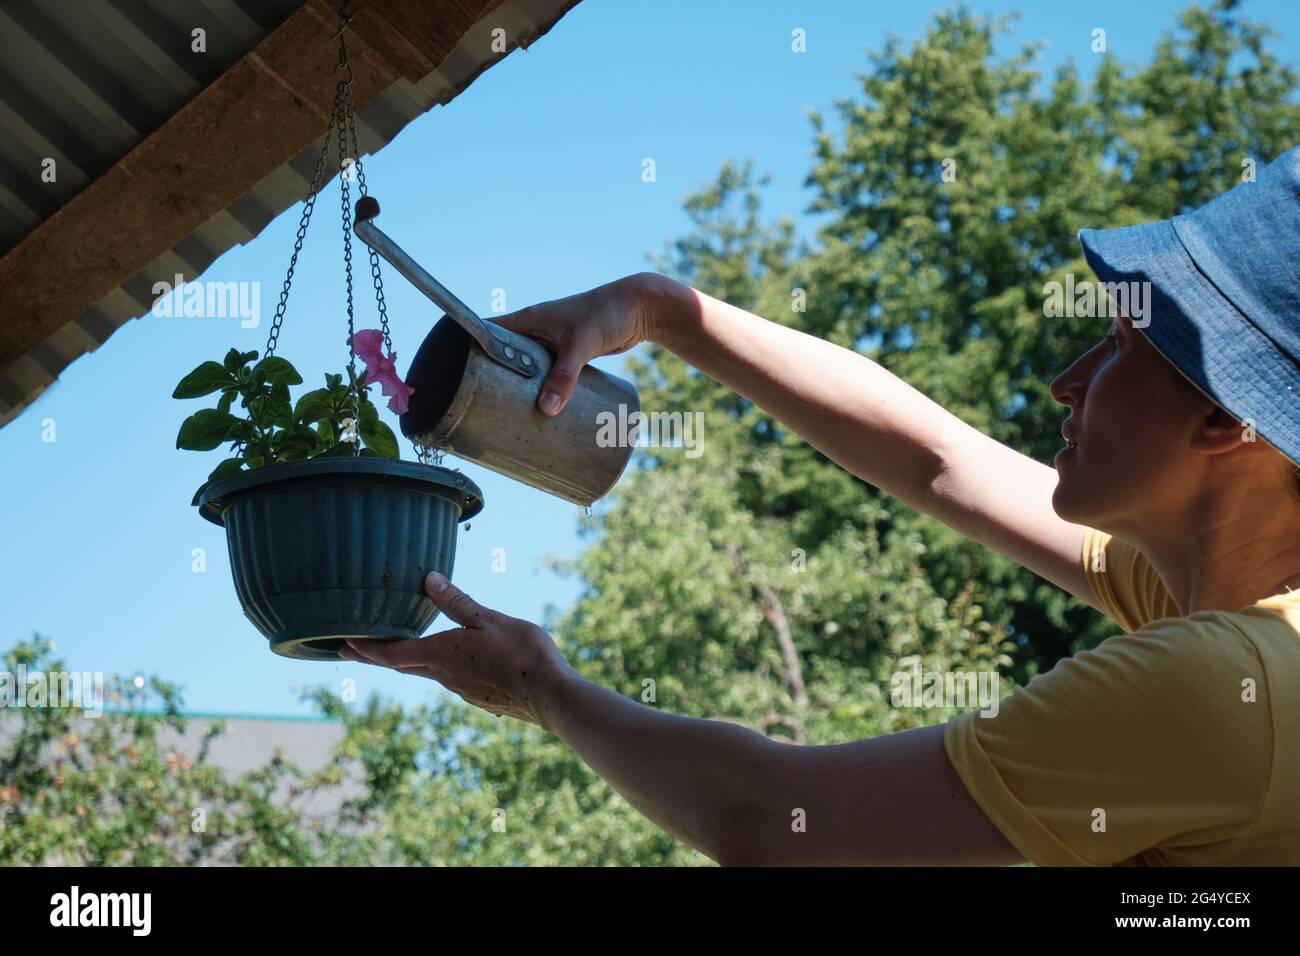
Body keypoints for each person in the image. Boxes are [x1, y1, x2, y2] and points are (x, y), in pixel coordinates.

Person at [341, 146, 1300, 866]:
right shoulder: (1230, 614)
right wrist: (661, 311)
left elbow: (771, 821)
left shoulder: (1223, 685)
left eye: (1125, 345)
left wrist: (539, 689)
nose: (1067, 379)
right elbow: (934, 459)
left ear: (1227, 419)